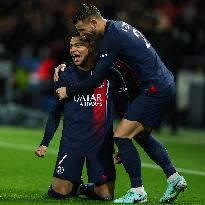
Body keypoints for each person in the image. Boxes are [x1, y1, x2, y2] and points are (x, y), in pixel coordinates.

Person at [55, 4, 187, 203]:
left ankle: (137, 191)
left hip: (154, 89)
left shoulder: (111, 38)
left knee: (122, 136)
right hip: (161, 84)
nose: (82, 34)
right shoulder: (117, 28)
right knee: (141, 136)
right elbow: (96, 60)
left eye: (82, 30)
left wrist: (69, 90)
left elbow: (96, 77)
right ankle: (174, 178)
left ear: (93, 22)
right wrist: (66, 64)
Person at [35, 32, 122, 201]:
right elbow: (55, 111)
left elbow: (125, 111)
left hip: (100, 144)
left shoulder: (110, 76)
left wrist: (124, 143)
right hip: (72, 143)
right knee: (59, 193)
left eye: (78, 45)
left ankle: (81, 186)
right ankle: (71, 184)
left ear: (91, 48)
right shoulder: (64, 75)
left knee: (106, 196)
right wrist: (45, 143)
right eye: (71, 46)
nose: (73, 50)